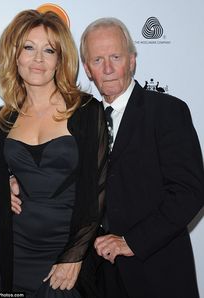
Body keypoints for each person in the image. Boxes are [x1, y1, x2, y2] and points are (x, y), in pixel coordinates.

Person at [0, 10, 108, 297]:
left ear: (60, 60)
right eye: (29, 48)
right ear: (14, 55)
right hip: (13, 256)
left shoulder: (85, 111)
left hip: (65, 257)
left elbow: (99, 190)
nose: (38, 59)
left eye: (49, 50)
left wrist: (74, 256)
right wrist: (0, 181)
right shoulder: (1, 121)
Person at [78, 17, 204, 298]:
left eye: (115, 57)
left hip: (157, 273)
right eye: (97, 60)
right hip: (97, 279)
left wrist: (130, 242)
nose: (108, 68)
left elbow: (190, 192)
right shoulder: (82, 122)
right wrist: (13, 182)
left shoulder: (167, 111)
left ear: (132, 60)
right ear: (87, 69)